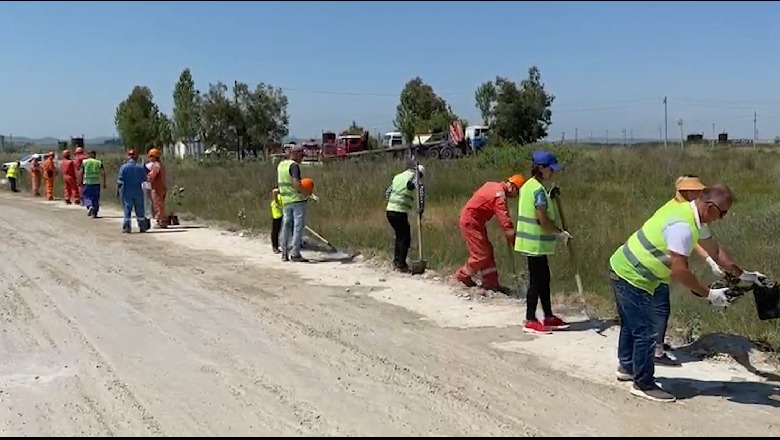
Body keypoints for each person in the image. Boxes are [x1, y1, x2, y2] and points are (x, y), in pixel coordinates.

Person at [608, 184, 766, 403]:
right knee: (646, 330)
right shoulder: (683, 226)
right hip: (631, 274)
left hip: (635, 272)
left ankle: (627, 367)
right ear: (711, 207)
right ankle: (643, 383)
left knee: (632, 324)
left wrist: (745, 275)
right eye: (723, 213)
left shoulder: (692, 216)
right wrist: (710, 294)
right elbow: (680, 271)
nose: (722, 218)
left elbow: (716, 251)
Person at [514, 150, 571, 334]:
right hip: (535, 243)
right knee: (536, 282)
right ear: (541, 168)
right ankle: (530, 319)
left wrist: (551, 195)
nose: (552, 173)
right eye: (550, 169)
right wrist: (560, 233)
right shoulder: (537, 190)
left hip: (534, 244)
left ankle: (548, 316)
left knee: (544, 278)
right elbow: (542, 220)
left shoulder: (530, 186)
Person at [454, 173, 526, 292]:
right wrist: (513, 239)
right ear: (513, 187)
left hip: (475, 221)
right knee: (481, 254)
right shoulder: (499, 196)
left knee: (487, 251)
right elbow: (505, 220)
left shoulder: (492, 185)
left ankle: (491, 282)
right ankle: (462, 275)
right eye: (517, 193)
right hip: (471, 222)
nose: (515, 196)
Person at [385, 158, 425, 273]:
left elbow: (387, 193)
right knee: (405, 237)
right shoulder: (415, 178)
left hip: (390, 210)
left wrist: (392, 202)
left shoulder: (398, 176)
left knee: (399, 236)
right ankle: (401, 265)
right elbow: (420, 192)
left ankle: (397, 261)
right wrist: (420, 209)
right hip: (399, 211)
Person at [277, 145, 310, 262]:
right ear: (295, 153)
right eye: (301, 155)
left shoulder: (281, 165)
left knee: (285, 226)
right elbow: (296, 184)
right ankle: (295, 253)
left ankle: (284, 252)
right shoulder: (294, 166)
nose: (302, 158)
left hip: (286, 200)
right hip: (297, 200)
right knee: (297, 227)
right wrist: (306, 193)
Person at [117, 149, 151, 233]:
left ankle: (127, 227)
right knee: (140, 209)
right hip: (138, 190)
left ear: (128, 156)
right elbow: (144, 179)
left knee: (127, 209)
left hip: (127, 190)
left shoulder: (124, 167)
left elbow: (120, 180)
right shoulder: (140, 167)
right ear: (136, 156)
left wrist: (118, 191)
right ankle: (142, 226)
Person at [146, 148, 169, 228]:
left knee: (158, 205)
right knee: (160, 205)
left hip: (157, 188)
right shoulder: (160, 165)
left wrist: (146, 176)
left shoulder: (156, 165)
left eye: (151, 156)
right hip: (161, 186)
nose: (149, 158)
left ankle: (161, 222)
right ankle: (162, 221)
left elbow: (151, 176)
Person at [81, 150, 107, 218]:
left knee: (86, 196)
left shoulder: (85, 162)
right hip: (96, 183)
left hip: (87, 182)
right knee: (96, 198)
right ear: (95, 155)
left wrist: (80, 181)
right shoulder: (98, 162)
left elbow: (81, 172)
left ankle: (90, 206)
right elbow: (103, 173)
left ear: (89, 155)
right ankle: (94, 213)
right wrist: (104, 183)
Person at [270, 187, 283, 253]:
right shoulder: (278, 197)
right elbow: (274, 191)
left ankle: (279, 245)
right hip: (277, 216)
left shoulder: (282, 197)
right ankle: (275, 247)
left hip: (282, 215)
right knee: (275, 231)